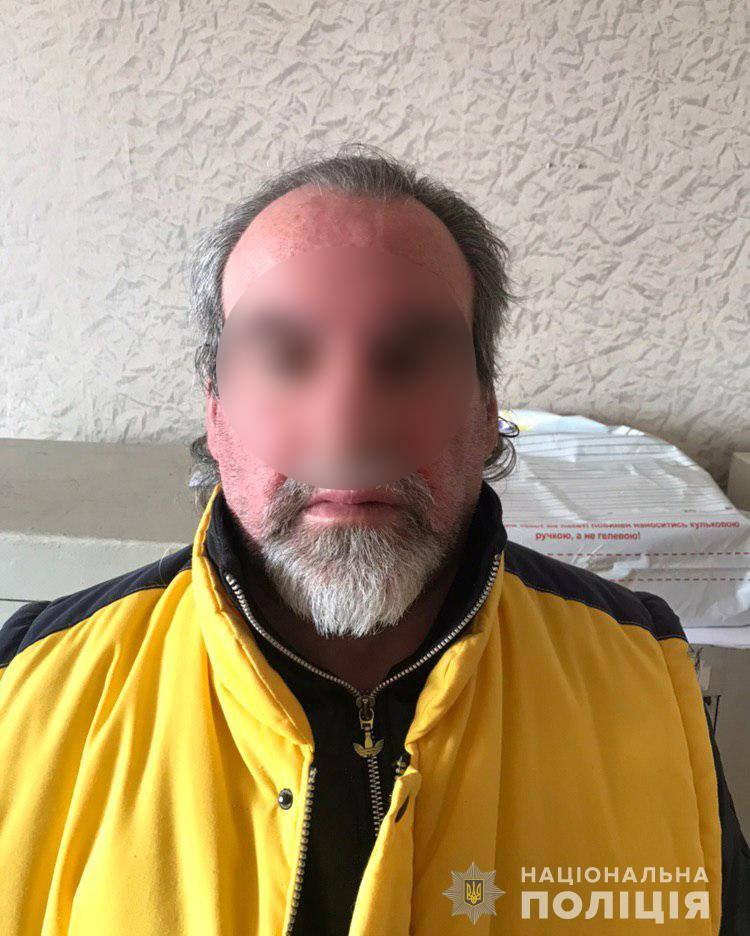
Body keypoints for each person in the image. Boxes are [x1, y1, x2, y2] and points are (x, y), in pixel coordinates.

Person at [1, 144, 748, 935]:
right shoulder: (28, 692)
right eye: (287, 357)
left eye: (407, 356)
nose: (348, 424)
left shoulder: (649, 680)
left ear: (486, 409)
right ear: (215, 411)